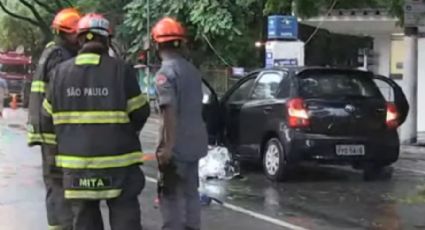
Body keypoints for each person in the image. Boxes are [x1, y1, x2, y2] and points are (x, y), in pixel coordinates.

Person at [41, 13, 150, 230]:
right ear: (107, 40)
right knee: (125, 216)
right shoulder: (121, 70)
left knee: (84, 219)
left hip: (76, 169)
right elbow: (141, 113)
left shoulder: (60, 74)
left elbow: (46, 121)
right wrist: (123, 131)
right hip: (120, 167)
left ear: (79, 40)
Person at [26, 8, 82, 230]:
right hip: (53, 131)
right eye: (77, 34)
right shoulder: (60, 57)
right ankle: (64, 226)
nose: (80, 39)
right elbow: (63, 94)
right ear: (67, 33)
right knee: (58, 182)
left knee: (54, 182)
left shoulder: (51, 51)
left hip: (47, 128)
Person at [152, 17, 208, 230]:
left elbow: (169, 111)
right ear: (181, 43)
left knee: (171, 195)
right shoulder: (193, 71)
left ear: (157, 44)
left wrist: (167, 146)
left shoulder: (165, 74)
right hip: (195, 144)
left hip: (176, 148)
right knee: (191, 191)